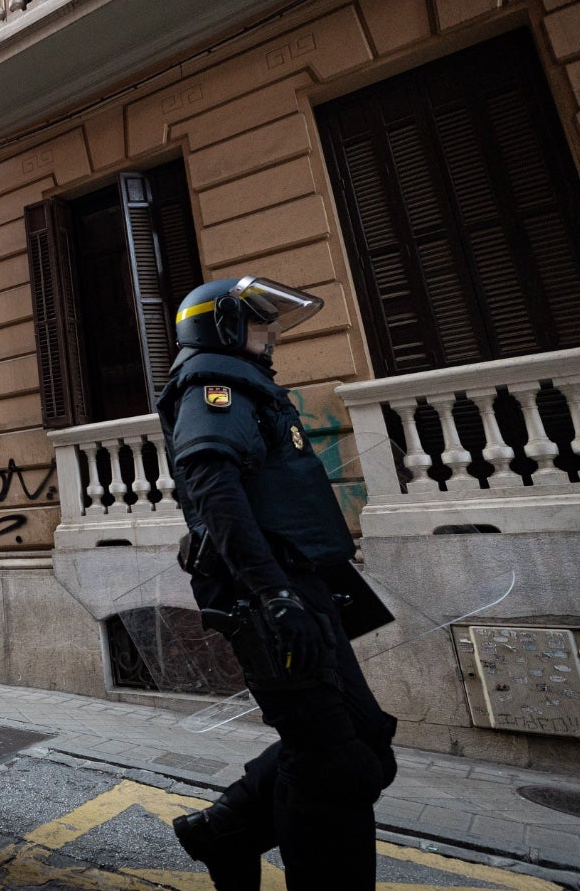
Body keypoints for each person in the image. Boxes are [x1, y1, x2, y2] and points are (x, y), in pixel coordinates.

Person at [154, 276, 398, 891]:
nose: (273, 335)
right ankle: (226, 833)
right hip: (267, 597)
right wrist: (272, 592)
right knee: (336, 765)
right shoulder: (215, 385)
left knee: (364, 739)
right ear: (224, 327)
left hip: (297, 587)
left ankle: (224, 829)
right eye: (261, 323)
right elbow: (214, 491)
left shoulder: (248, 386)